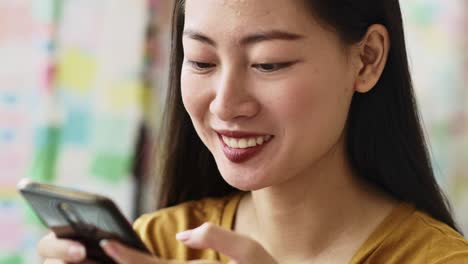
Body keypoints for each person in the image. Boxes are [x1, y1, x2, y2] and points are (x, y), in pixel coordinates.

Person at [38, 0, 468, 263]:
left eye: (269, 63)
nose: (225, 104)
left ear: (367, 58)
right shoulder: (156, 245)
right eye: (202, 61)